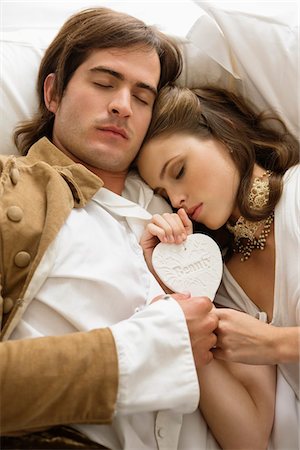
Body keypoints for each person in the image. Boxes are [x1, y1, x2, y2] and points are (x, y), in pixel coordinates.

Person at [0, 7, 222, 449]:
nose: (122, 104)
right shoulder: (9, 188)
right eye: (104, 83)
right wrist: (150, 351)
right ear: (53, 94)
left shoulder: (193, 208)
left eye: (142, 97)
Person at [136, 84, 300, 449]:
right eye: (162, 193)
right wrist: (178, 303)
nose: (175, 199)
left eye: (178, 171)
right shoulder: (220, 281)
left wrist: (277, 343)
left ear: (223, 134)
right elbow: (250, 436)